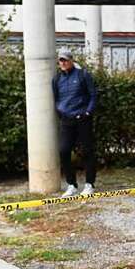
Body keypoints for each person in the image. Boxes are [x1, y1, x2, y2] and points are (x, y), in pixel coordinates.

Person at [52, 48, 97, 196]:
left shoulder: (83, 75)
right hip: (66, 120)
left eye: (65, 60)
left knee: (87, 151)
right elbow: (57, 98)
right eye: (61, 60)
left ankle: (90, 184)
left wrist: (88, 112)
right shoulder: (57, 79)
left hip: (83, 119)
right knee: (64, 151)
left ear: (71, 60)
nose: (63, 63)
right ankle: (72, 184)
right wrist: (60, 110)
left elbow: (92, 95)